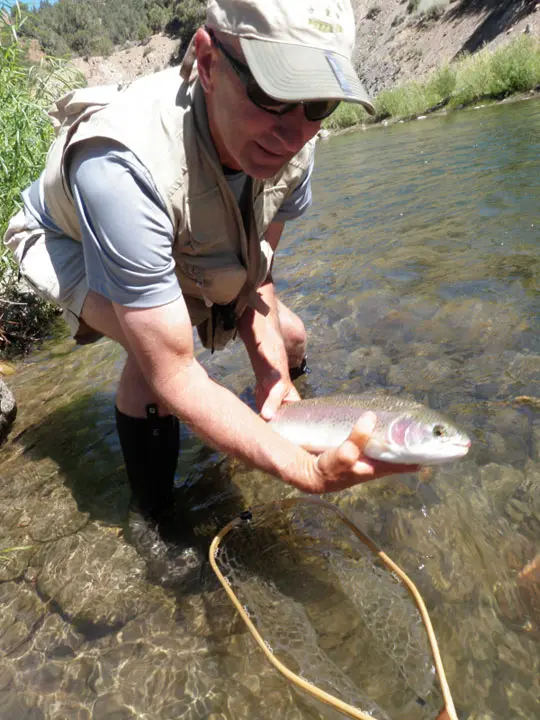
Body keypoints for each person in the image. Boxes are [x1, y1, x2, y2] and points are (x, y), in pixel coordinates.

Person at [4, 0, 417, 538]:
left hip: (172, 223)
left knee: (288, 336)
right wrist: (302, 471)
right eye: (272, 94)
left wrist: (273, 377)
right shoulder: (120, 164)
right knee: (153, 371)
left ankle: (271, 418)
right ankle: (155, 521)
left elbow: (256, 276)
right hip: (67, 240)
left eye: (318, 103)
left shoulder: (293, 145)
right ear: (206, 60)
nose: (292, 135)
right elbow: (174, 372)